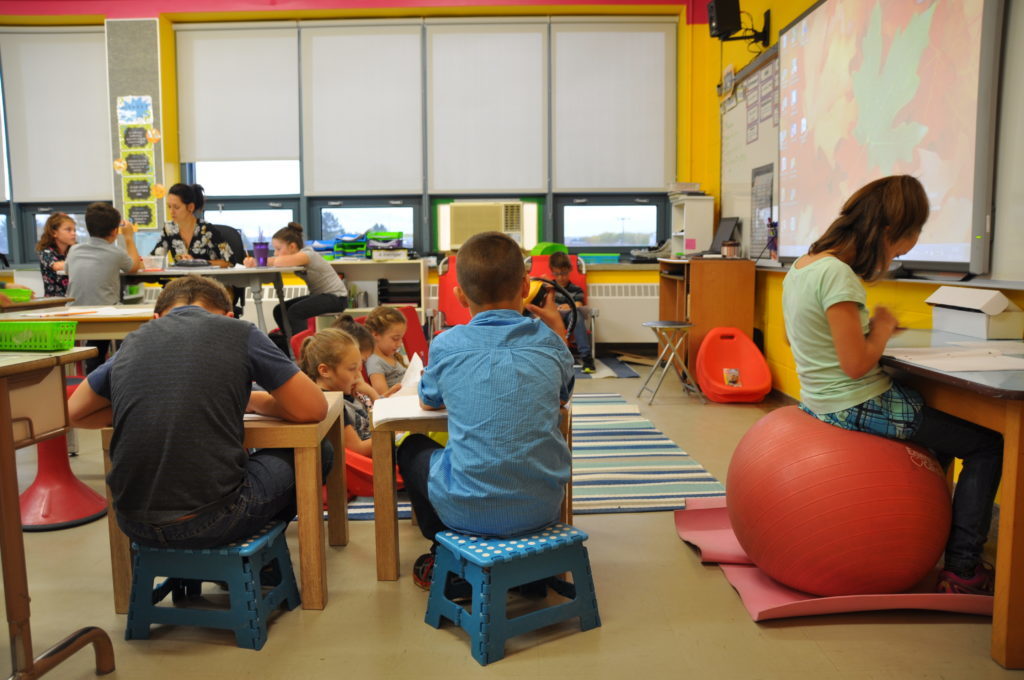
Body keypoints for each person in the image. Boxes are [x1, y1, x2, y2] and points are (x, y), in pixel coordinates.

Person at [781, 174, 1003, 595]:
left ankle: (930, 536)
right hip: (855, 400)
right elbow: (854, 365)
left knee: (944, 432)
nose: (911, 246)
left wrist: (868, 330)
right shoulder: (838, 275)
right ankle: (963, 570)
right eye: (911, 236)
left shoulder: (803, 267)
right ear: (887, 231)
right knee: (988, 445)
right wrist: (880, 328)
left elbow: (798, 339)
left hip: (820, 399)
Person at [67, 275, 331, 549]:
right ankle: (262, 560)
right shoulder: (238, 331)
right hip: (212, 519)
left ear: (156, 318)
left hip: (132, 522)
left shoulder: (133, 341)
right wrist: (254, 401)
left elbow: (75, 412)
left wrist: (143, 408)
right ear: (229, 316)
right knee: (321, 450)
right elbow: (313, 409)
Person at [395, 231, 574, 589]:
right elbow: (562, 396)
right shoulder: (551, 343)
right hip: (543, 507)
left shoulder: (446, 344)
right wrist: (558, 335)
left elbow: (429, 400)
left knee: (412, 446)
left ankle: (442, 549)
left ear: (460, 295)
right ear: (526, 287)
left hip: (466, 510)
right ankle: (529, 564)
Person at [66, 202, 143, 373]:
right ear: (115, 231)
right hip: (104, 312)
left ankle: (94, 370)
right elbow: (134, 266)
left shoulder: (74, 251)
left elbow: (66, 269)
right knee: (130, 324)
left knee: (96, 344)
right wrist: (129, 238)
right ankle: (123, 368)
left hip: (74, 312)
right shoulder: (115, 253)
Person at [244, 222, 347, 338]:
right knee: (279, 310)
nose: (276, 253)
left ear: (292, 247)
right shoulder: (298, 256)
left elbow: (278, 262)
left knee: (295, 312)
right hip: (321, 295)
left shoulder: (307, 254)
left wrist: (258, 261)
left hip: (336, 298)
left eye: (278, 249)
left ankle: (301, 349)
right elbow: (276, 262)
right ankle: (288, 342)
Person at [299, 328, 372, 457]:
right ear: (325, 371)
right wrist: (394, 435)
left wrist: (371, 393)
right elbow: (358, 450)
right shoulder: (330, 405)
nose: (358, 376)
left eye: (360, 368)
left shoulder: (347, 392)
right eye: (352, 369)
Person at [150, 183, 232, 266]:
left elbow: (230, 261)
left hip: (207, 278)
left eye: (176, 207)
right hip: (182, 279)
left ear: (190, 207)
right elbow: (154, 260)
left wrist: (199, 263)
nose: (171, 212)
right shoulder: (169, 229)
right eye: (169, 207)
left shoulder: (207, 230)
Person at [548, 251, 595, 373]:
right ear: (552, 271)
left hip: (570, 317)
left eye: (563, 274)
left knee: (577, 315)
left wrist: (569, 306)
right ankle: (547, 357)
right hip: (553, 316)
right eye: (556, 274)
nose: (560, 277)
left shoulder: (576, 289)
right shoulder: (548, 287)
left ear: (570, 270)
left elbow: (579, 303)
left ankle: (587, 358)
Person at [332, 314, 384, 403]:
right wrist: (372, 393)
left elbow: (365, 401)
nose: (359, 371)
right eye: (352, 367)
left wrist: (377, 397)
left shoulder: (353, 378)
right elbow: (367, 408)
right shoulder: (343, 396)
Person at [363, 306, 408, 397]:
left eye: (401, 338)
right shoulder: (375, 362)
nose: (399, 344)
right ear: (375, 334)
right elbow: (382, 397)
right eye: (395, 339)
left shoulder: (389, 353)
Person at [35, 212, 77, 297]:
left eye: (74, 230)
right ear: (54, 233)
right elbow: (57, 266)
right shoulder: (45, 252)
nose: (73, 233)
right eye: (68, 230)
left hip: (72, 299)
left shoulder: (74, 250)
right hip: (54, 302)